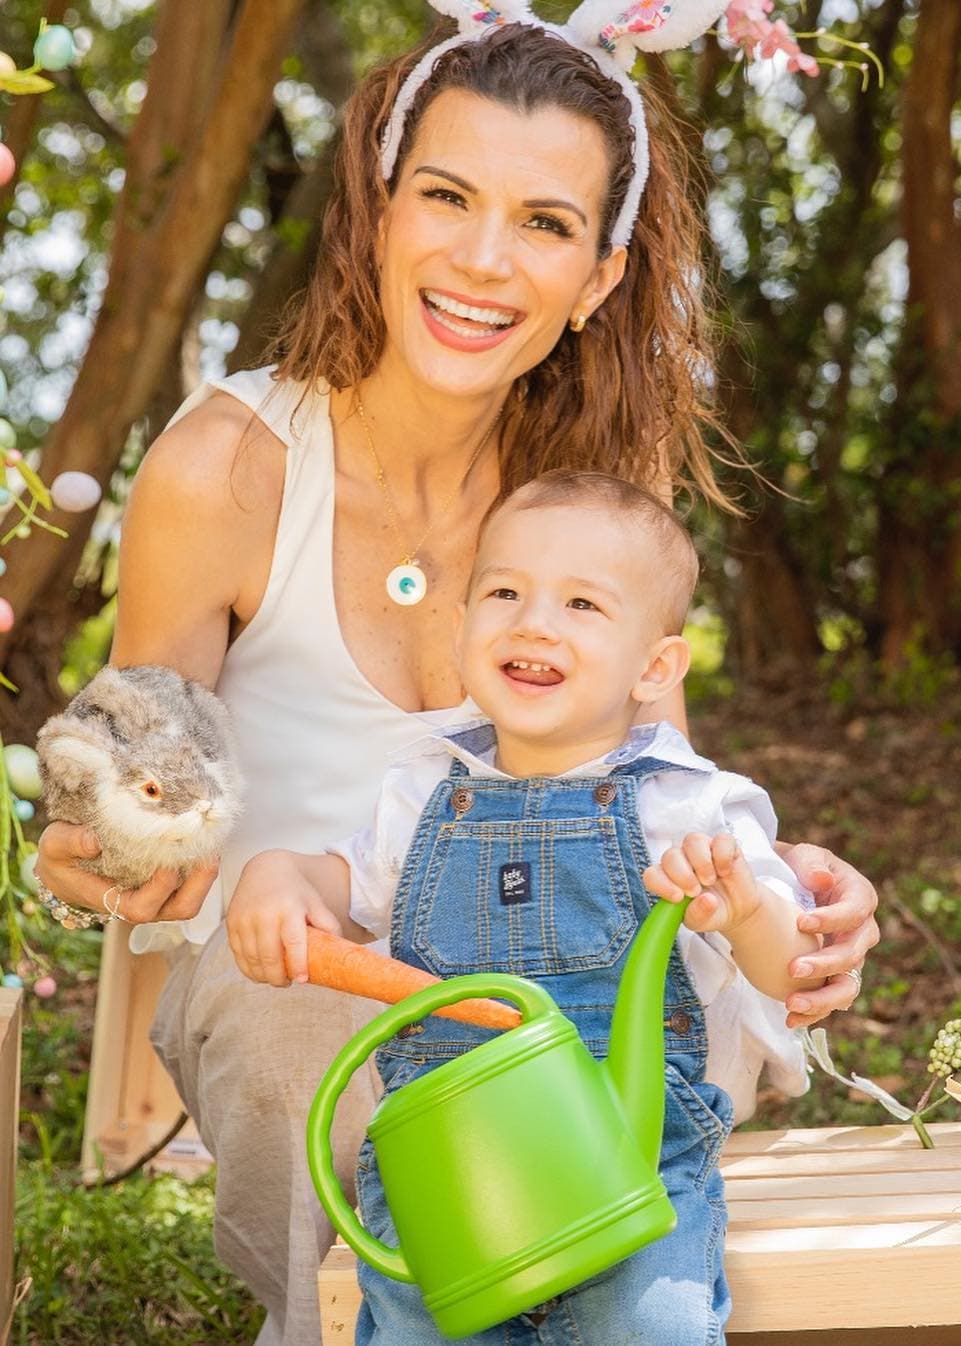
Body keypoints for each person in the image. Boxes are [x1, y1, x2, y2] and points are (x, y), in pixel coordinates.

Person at [33, 11, 879, 1344]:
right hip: (307, 986)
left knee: (648, 1030)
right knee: (302, 1036)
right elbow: (136, 760)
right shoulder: (230, 467)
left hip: (555, 998)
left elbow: (651, 781)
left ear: (597, 278)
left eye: (544, 223)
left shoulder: (597, 497)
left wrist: (779, 883)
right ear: (376, 207)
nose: (482, 259)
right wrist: (99, 819)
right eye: (446, 195)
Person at [230, 470, 826, 1344]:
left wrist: (742, 911)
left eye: (583, 605)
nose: (534, 622)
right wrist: (279, 874)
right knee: (420, 1330)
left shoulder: (688, 806)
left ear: (655, 666)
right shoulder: (424, 789)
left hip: (628, 1158)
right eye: (504, 591)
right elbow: (343, 889)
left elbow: (786, 972)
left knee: (649, 1325)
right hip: (451, 1161)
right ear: (465, 622)